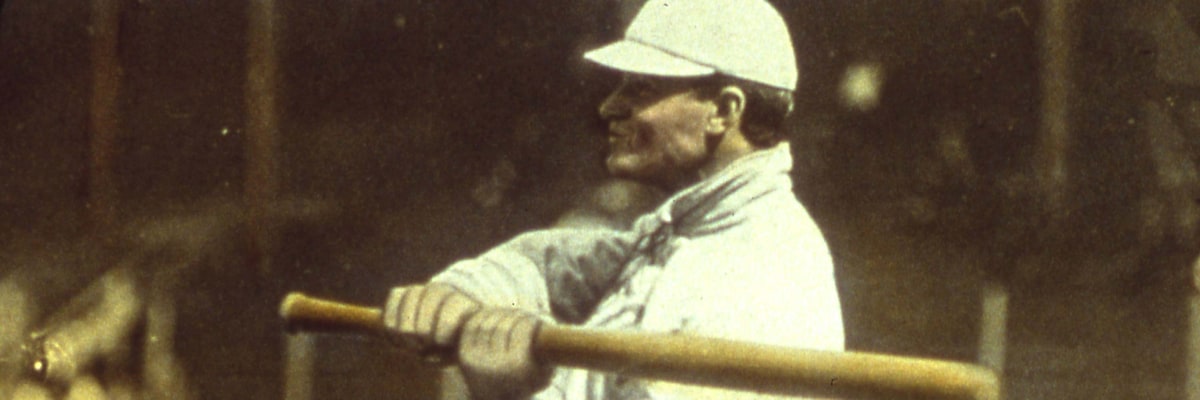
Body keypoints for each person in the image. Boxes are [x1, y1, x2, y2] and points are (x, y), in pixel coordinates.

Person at [383, 0, 844, 398]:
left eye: (642, 88)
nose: (608, 107)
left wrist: (508, 392)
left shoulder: (752, 280)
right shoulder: (699, 228)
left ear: (723, 111)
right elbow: (547, 264)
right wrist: (458, 293)